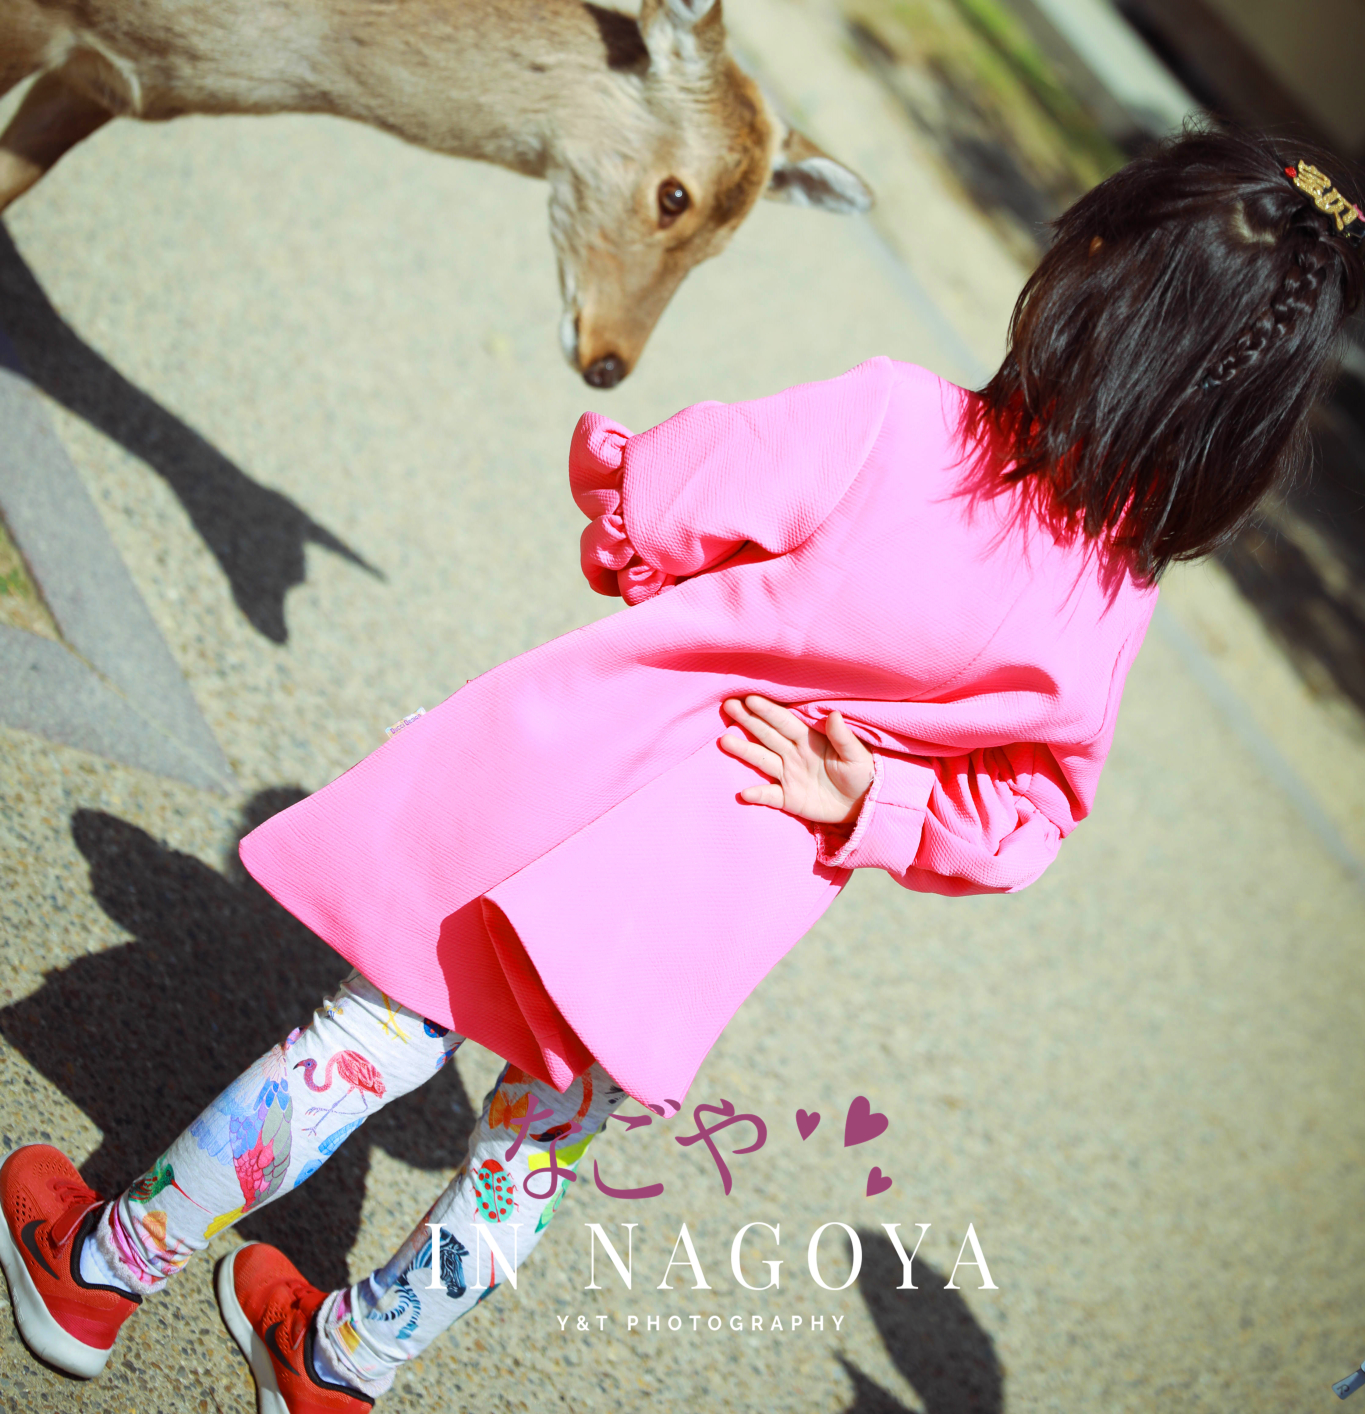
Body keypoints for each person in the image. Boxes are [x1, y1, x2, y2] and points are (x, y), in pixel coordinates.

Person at [2, 129, 1360, 1411]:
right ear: (1237, 414)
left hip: (579, 780)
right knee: (543, 1137)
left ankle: (102, 1270)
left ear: (1097, 268)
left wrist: (632, 545)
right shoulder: (1108, 609)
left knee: (378, 1031)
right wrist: (872, 801)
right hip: (727, 888)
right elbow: (1027, 818)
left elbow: (662, 496)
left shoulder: (899, 423)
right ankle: (345, 1360)